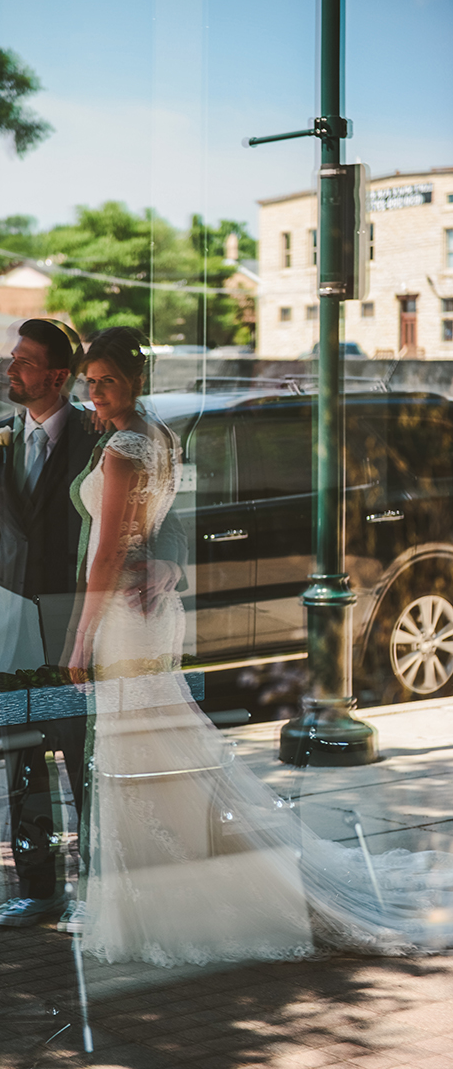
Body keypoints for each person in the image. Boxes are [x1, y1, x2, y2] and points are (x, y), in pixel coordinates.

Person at [69, 326, 453, 966]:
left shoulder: (122, 450)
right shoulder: (160, 438)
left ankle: (176, 900)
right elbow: (153, 530)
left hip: (125, 616)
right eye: (90, 380)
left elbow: (110, 551)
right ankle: (177, 883)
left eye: (105, 379)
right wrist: (163, 567)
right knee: (162, 745)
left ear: (134, 381)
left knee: (142, 749)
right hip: (153, 610)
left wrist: (80, 637)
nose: (95, 391)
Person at [0, 318, 187, 929]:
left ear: (56, 375)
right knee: (22, 766)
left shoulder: (106, 436)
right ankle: (39, 890)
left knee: (90, 762)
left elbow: (154, 514)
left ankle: (101, 889)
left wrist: (170, 561)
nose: (8, 370)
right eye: (10, 359)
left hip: (85, 623)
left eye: (23, 360)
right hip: (13, 632)